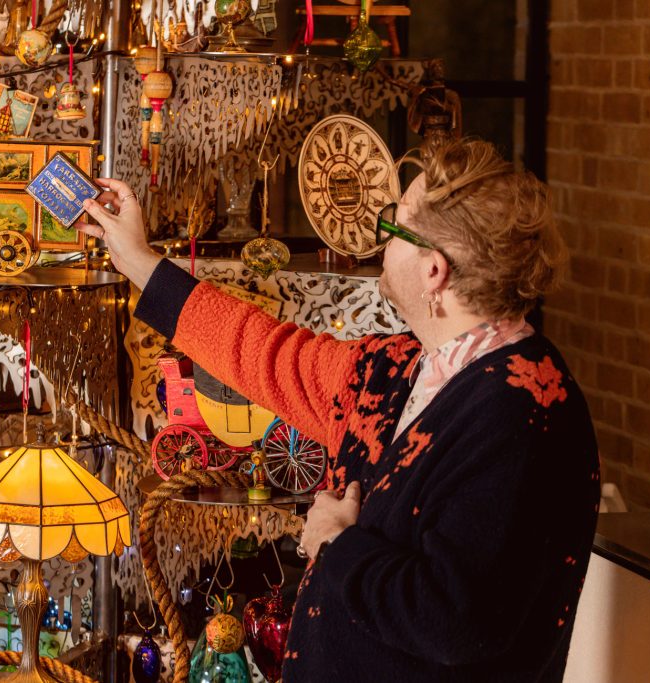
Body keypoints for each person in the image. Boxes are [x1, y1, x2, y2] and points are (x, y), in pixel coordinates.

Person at [78, 137, 600, 682]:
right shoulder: (394, 366)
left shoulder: (525, 413)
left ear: (434, 273)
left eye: (393, 227)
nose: (379, 242)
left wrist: (338, 543)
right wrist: (138, 260)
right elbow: (262, 352)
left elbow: (456, 621)